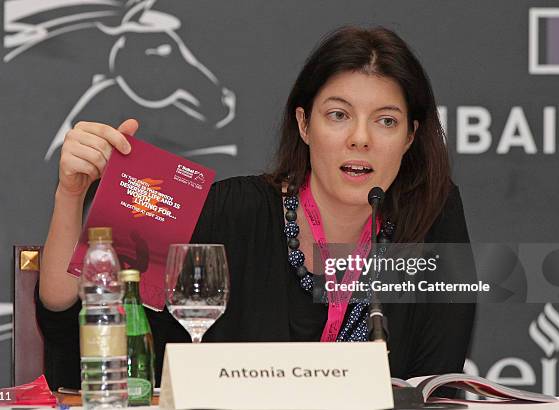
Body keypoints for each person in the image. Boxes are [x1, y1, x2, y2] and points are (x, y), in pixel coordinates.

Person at [36, 26, 476, 390]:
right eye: (338, 115)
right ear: (304, 124)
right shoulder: (229, 212)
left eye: (385, 121)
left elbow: (437, 382)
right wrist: (70, 196)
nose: (360, 138)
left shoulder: (431, 216)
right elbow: (76, 317)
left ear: (411, 136)